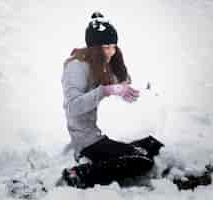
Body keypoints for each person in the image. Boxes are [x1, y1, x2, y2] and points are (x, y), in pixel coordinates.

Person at [58, 11, 165, 188]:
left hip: (115, 132)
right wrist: (105, 91)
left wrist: (141, 95)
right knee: (140, 161)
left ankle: (175, 172)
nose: (112, 52)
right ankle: (80, 174)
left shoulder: (111, 64)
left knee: (155, 147)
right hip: (89, 138)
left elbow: (123, 94)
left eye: (114, 46)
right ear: (94, 47)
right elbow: (73, 107)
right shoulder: (76, 67)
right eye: (106, 47)